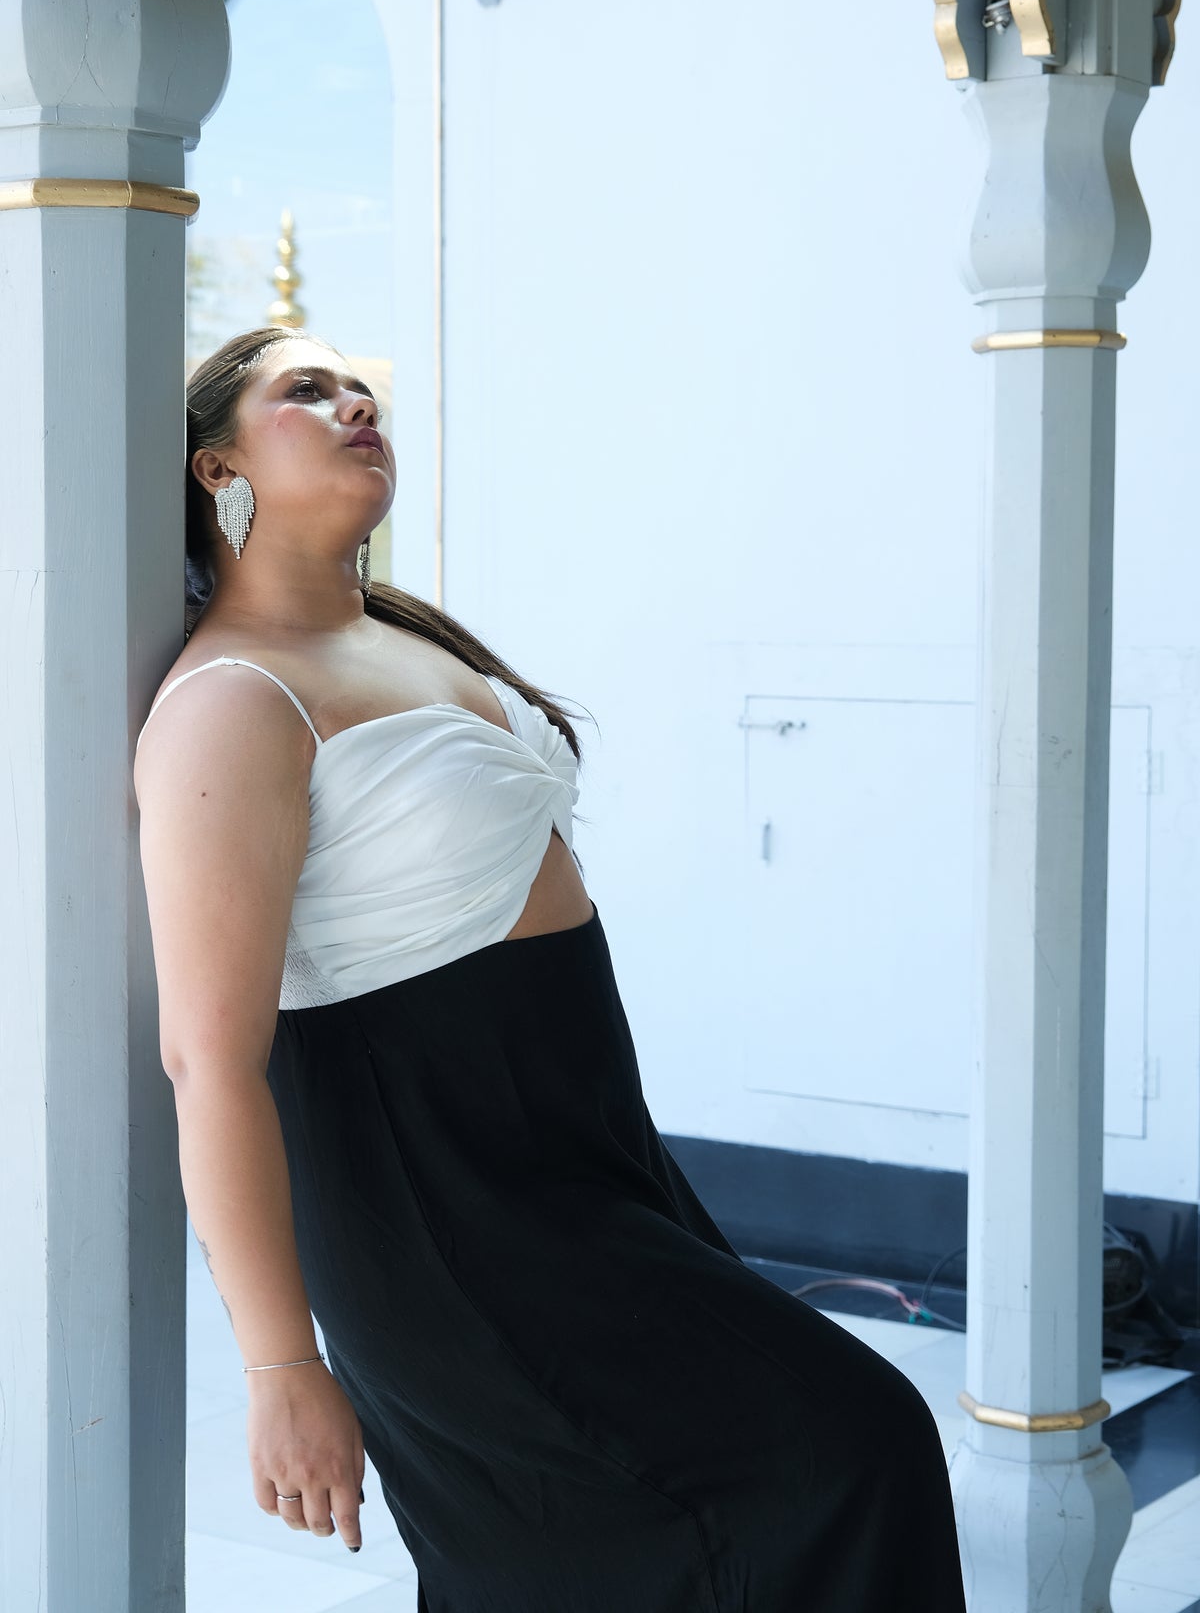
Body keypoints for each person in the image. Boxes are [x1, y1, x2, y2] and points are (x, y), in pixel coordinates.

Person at [132, 326, 967, 1612]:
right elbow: (209, 1058)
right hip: (443, 1199)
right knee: (850, 1445)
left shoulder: (400, 635)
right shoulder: (231, 702)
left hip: (586, 1147)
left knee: (642, 1543)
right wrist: (282, 1368)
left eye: (359, 385)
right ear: (216, 467)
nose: (354, 401)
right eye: (305, 390)